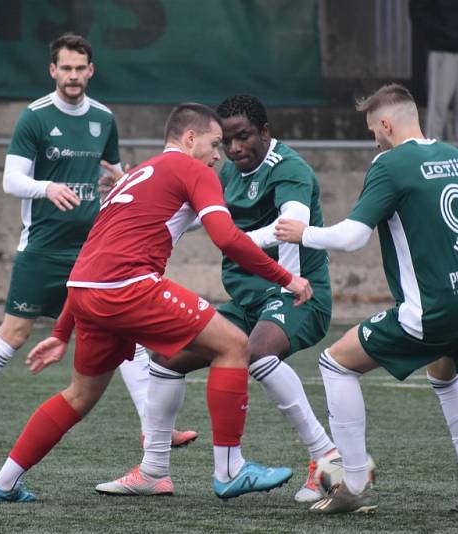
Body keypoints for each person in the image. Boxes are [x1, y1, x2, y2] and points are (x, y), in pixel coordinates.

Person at [0, 102, 313, 503]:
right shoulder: (192, 170)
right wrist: (286, 277)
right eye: (213, 143)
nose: (217, 154)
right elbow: (225, 238)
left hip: (88, 292)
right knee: (234, 345)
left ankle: (2, 483)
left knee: (79, 395)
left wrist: (61, 331)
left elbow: (93, 254)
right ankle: (230, 469)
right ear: (190, 139)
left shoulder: (135, 175)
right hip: (128, 286)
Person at [0, 33, 197, 450]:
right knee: (16, 331)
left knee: (124, 334)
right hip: (43, 248)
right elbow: (11, 181)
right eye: (66, 68)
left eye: (81, 69)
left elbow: (115, 170)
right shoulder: (35, 118)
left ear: (91, 71)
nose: (74, 76)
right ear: (52, 71)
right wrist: (47, 188)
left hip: (94, 252)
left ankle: (155, 429)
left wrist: (119, 178)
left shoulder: (103, 117)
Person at [95, 94, 347, 503]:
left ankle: (328, 459)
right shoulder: (230, 173)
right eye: (226, 142)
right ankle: (154, 470)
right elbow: (196, 219)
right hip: (247, 304)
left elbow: (292, 225)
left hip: (297, 295)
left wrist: (233, 240)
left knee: (257, 352)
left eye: (244, 137)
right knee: (165, 358)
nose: (233, 149)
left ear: (265, 132)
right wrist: (128, 192)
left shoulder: (291, 170)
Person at [275, 83, 458, 515]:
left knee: (335, 363)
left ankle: (354, 484)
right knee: (445, 374)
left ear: (385, 123)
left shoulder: (390, 163)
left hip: (434, 307)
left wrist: (305, 234)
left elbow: (353, 237)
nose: (373, 140)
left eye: (372, 130)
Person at [409, 0, 458, 176]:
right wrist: (443, 34)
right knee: (438, 105)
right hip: (442, 49)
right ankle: (431, 156)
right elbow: (419, 12)